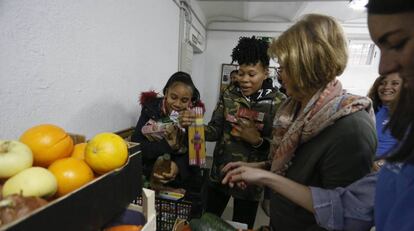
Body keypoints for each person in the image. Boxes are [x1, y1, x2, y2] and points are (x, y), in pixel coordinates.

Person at [223, 1, 414, 231]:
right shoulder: (292, 110)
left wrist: (265, 176)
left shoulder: (352, 128)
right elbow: (293, 168)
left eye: (286, 67)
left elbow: (342, 214)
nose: (280, 76)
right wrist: (258, 168)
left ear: (306, 67)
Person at [182, 36, 286, 228]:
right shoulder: (229, 94)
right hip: (220, 173)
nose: (244, 80)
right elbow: (214, 131)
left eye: (251, 74)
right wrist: (192, 126)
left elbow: (281, 152)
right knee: (206, 222)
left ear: (265, 72)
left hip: (250, 182)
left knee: (242, 225)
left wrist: (257, 141)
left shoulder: (279, 102)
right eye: (240, 73)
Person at [130, 71, 204, 217]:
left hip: (180, 183)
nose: (177, 104)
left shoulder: (195, 116)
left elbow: (197, 157)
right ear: (166, 93)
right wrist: (165, 146)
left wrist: (178, 167)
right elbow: (137, 148)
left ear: (191, 101)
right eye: (173, 97)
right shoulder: (150, 111)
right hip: (150, 179)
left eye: (184, 100)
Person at [367, 73, 402, 158]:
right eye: (382, 83)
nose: (386, 87)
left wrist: (382, 163)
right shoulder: (367, 109)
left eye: (395, 83)